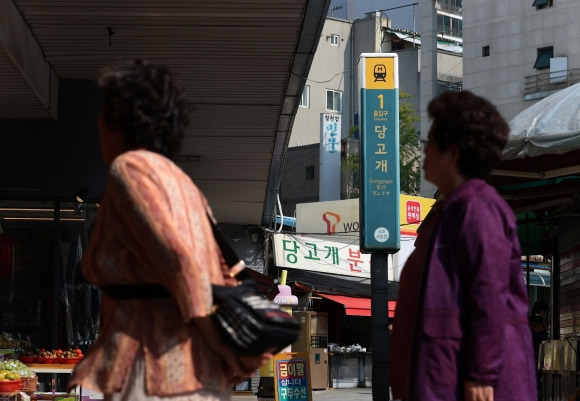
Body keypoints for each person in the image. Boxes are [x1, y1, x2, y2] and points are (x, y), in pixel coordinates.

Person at [67, 59, 272, 401]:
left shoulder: (130, 169)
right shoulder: (183, 184)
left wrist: (223, 346)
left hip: (153, 372)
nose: (98, 124)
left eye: (103, 113)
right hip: (192, 373)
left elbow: (181, 261)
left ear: (121, 119)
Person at [389, 90, 536, 401]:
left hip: (466, 383)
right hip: (443, 378)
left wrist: (481, 374)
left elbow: (490, 295)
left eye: (429, 143)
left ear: (453, 152)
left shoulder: (477, 208)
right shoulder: (449, 211)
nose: (424, 151)